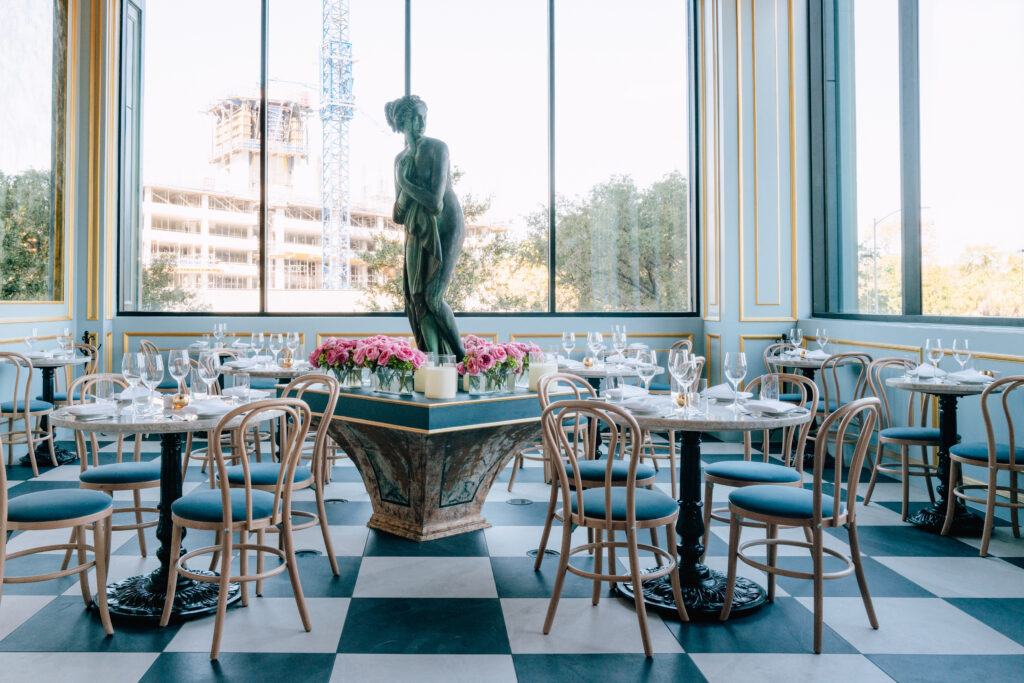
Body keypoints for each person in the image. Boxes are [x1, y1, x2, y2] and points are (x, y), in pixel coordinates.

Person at [385, 95, 466, 359]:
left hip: (446, 227)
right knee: (416, 300)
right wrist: (403, 190)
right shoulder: (399, 160)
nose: (421, 122)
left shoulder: (438, 149)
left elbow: (434, 203)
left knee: (433, 296)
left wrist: (405, 183)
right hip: (416, 230)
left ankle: (462, 360)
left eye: (424, 116)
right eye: (415, 117)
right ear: (402, 122)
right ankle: (434, 362)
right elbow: (398, 215)